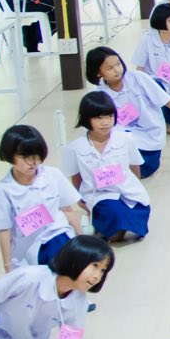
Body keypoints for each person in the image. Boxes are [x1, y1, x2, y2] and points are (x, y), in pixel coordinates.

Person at [67, 92, 150, 244]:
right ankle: (108, 225)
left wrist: (135, 185)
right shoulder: (75, 148)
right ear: (86, 119)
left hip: (128, 193)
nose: (105, 122)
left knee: (136, 211)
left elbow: (135, 167)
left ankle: (111, 226)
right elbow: (76, 178)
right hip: (101, 196)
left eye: (110, 116)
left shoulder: (126, 139)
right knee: (111, 211)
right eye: (99, 118)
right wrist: (83, 201)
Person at [85, 46, 170, 176]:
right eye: (110, 68)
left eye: (118, 64)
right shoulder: (99, 93)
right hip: (122, 135)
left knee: (145, 168)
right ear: (98, 73)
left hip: (149, 132)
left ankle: (110, 175)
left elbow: (164, 99)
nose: (117, 70)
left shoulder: (137, 78)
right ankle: (105, 176)